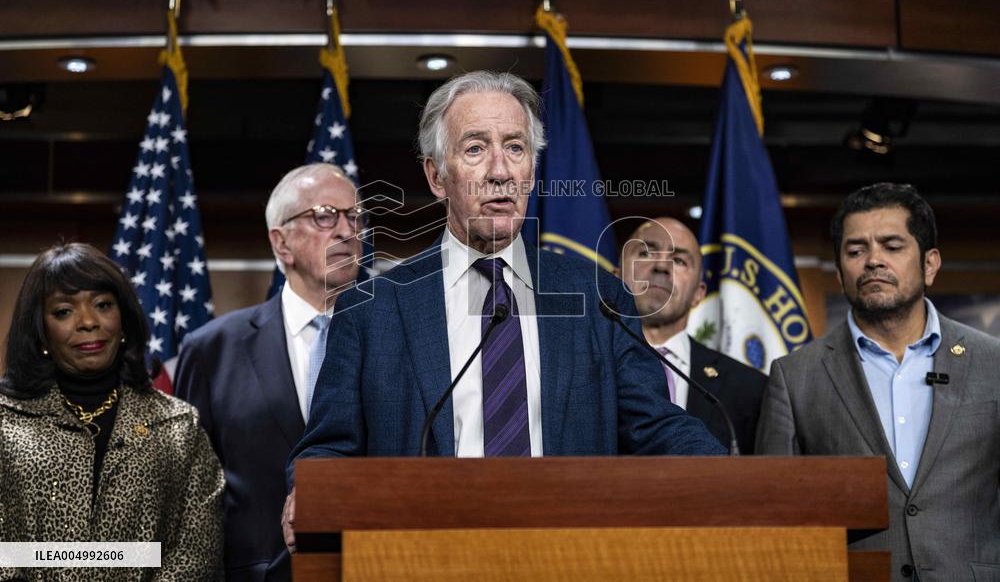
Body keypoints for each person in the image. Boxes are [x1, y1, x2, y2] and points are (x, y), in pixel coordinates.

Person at [281, 70, 725, 549]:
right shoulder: (370, 311)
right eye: (475, 148)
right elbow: (330, 447)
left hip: (569, 557)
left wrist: (733, 477)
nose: (500, 170)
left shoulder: (599, 297)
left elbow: (654, 425)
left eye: (515, 148)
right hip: (422, 558)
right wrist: (310, 488)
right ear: (436, 176)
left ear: (532, 172)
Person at [756, 183, 1000, 581]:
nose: (873, 261)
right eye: (856, 251)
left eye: (892, 246)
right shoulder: (795, 377)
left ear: (930, 264)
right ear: (839, 273)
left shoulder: (993, 363)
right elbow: (776, 516)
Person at [174, 163, 362, 581]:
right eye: (326, 215)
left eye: (355, 217)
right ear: (281, 243)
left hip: (368, 566)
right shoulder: (212, 349)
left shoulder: (392, 338)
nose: (348, 231)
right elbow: (187, 494)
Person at [0, 242, 223, 580]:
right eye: (64, 311)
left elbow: (197, 552)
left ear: (124, 319)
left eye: (103, 305)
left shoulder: (178, 426)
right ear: (40, 331)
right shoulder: (5, 422)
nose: (88, 321)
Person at [619, 217, 766, 453]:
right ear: (614, 277)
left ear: (699, 293)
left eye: (678, 260)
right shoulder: (580, 375)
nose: (661, 266)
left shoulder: (749, 389)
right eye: (646, 253)